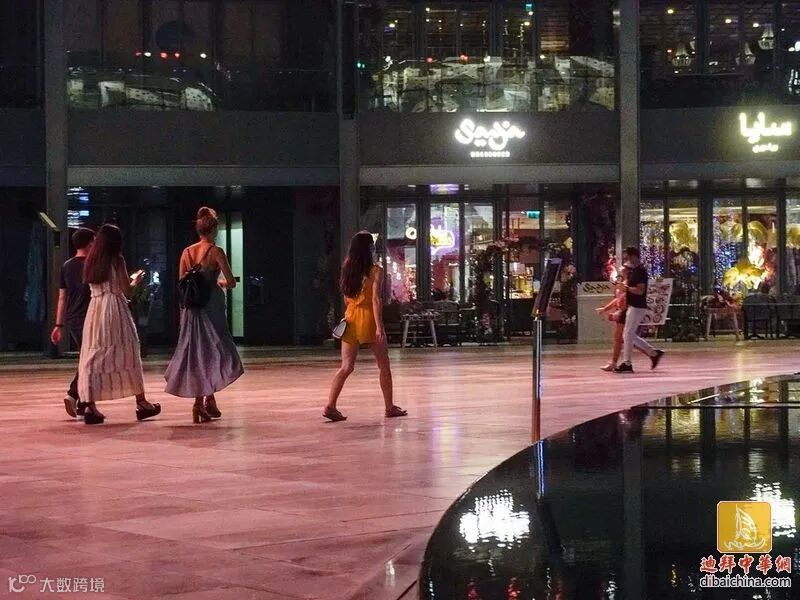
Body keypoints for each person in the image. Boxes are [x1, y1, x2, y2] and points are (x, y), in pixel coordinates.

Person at [164, 207, 243, 423]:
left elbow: (182, 281)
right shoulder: (216, 252)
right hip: (212, 306)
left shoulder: (187, 252)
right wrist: (221, 283)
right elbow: (231, 282)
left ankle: (204, 401)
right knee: (216, 351)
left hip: (192, 308)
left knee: (197, 352)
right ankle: (203, 402)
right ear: (214, 229)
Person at [78, 224, 161, 425]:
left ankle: (89, 405)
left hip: (95, 310)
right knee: (129, 351)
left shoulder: (91, 261)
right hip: (114, 308)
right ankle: (142, 403)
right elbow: (127, 291)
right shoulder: (117, 259)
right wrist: (136, 281)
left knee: (93, 355)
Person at [324, 231, 406, 422]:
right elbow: (376, 300)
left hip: (351, 319)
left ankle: (330, 405)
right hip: (369, 319)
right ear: (369, 248)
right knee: (383, 364)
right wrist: (379, 327)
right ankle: (389, 407)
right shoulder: (376, 270)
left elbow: (346, 299)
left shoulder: (347, 269)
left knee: (346, 367)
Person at [51, 228, 95, 418]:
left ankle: (82, 402)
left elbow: (62, 297)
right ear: (90, 243)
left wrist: (58, 325)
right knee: (90, 360)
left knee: (86, 358)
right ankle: (74, 395)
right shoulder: (93, 265)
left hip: (73, 318)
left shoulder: (66, 266)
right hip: (92, 316)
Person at [614, 247, 665, 373]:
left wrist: (626, 288)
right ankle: (653, 353)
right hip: (633, 306)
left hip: (637, 306)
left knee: (628, 334)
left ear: (633, 256)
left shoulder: (641, 271)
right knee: (628, 334)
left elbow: (640, 290)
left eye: (627, 257)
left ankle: (627, 363)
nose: (626, 260)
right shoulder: (634, 271)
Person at [595, 267, 651, 372]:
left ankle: (619, 362)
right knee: (623, 337)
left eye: (623, 270)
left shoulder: (627, 284)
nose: (621, 271)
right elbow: (617, 299)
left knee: (622, 336)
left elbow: (626, 299)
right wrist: (605, 308)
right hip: (623, 310)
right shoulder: (622, 284)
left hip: (626, 311)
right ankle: (652, 353)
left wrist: (620, 312)